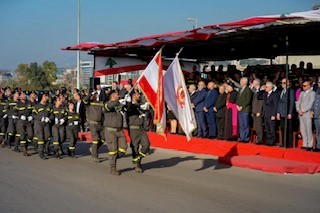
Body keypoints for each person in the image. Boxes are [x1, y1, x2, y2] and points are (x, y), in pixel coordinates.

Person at [103, 92, 128, 175]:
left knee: (123, 147)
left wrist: (127, 102)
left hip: (119, 131)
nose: (119, 96)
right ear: (112, 96)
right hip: (110, 131)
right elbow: (110, 106)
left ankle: (113, 158)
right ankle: (113, 168)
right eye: (117, 95)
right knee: (113, 150)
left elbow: (126, 109)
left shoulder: (118, 106)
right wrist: (118, 102)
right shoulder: (107, 104)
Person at [127, 92, 150, 173]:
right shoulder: (129, 105)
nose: (139, 96)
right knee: (135, 148)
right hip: (133, 129)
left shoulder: (141, 104)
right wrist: (131, 102)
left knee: (146, 145)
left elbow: (146, 110)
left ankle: (138, 158)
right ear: (133, 96)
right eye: (137, 94)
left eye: (139, 94)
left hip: (141, 129)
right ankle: (138, 165)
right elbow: (129, 108)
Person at [84, 92, 104, 163]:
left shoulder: (100, 103)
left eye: (96, 95)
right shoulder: (89, 103)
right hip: (92, 124)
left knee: (103, 139)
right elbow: (85, 100)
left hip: (101, 124)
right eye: (94, 95)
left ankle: (93, 148)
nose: (95, 96)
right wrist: (90, 94)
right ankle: (95, 156)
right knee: (95, 139)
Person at [33, 91, 53, 159]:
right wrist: (40, 118)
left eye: (47, 96)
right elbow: (33, 114)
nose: (46, 97)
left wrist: (49, 118)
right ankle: (41, 152)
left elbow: (52, 114)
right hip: (39, 123)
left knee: (47, 137)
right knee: (40, 137)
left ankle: (46, 149)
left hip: (46, 123)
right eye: (45, 96)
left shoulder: (49, 106)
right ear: (41, 97)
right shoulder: (37, 106)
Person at [296, 81, 316, 150]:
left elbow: (310, 104)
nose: (303, 87)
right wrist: (298, 109)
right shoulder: (302, 93)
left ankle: (310, 145)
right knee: (302, 129)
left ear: (309, 86)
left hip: (307, 114)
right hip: (300, 113)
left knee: (308, 129)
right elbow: (298, 101)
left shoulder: (312, 93)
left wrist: (303, 110)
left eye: (305, 86)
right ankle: (304, 143)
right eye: (303, 86)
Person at [276, 78, 295, 147]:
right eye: (282, 83)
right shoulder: (282, 91)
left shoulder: (291, 91)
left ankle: (289, 144)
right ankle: (284, 143)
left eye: (284, 83)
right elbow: (279, 102)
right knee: (283, 128)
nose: (282, 84)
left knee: (289, 129)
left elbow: (292, 102)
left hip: (287, 112)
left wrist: (290, 112)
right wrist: (278, 112)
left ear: (288, 83)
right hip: (282, 112)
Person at [261, 82, 279, 146]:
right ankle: (268, 140)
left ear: (270, 87)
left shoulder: (274, 94)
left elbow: (275, 105)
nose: (265, 88)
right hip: (266, 113)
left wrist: (274, 114)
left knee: (272, 128)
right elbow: (259, 97)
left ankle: (272, 141)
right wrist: (261, 90)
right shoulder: (265, 94)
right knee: (267, 128)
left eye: (266, 87)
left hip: (271, 114)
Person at [236, 77, 253, 142]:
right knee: (241, 124)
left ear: (244, 82)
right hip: (239, 109)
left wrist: (242, 106)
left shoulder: (248, 90)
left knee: (246, 124)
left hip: (245, 109)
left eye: (240, 81)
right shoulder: (240, 89)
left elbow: (248, 100)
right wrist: (237, 105)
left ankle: (246, 138)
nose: (240, 83)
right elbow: (237, 99)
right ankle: (242, 137)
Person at [251, 78, 264, 144]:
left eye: (253, 82)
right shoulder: (255, 90)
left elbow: (261, 102)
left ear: (256, 83)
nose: (252, 83)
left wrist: (259, 111)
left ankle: (260, 139)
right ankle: (257, 138)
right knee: (255, 126)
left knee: (259, 125)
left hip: (258, 111)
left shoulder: (260, 90)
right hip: (254, 110)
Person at [311, 79, 320, 152]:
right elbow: (314, 102)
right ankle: (318, 146)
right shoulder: (317, 90)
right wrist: (312, 110)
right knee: (318, 131)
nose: (319, 84)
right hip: (316, 114)